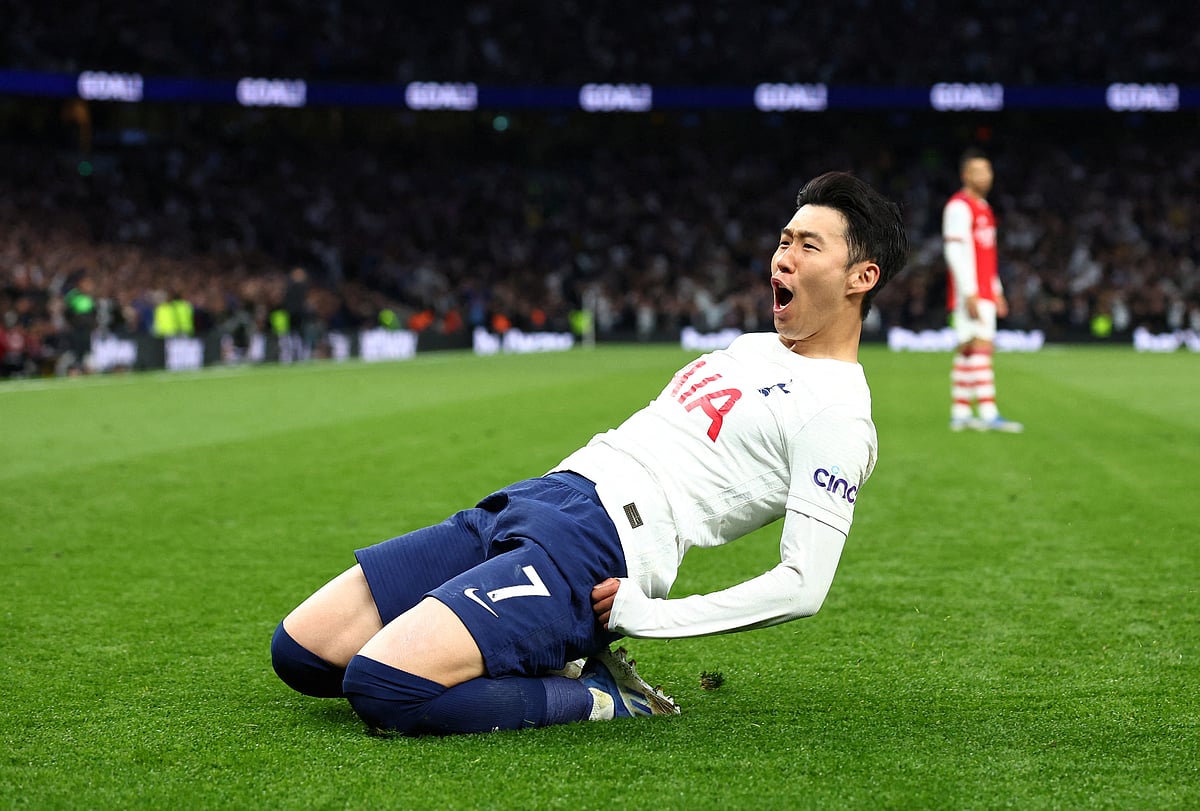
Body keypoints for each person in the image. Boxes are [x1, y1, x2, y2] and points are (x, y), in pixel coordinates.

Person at [270, 171, 909, 736]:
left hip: (600, 547)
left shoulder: (840, 416)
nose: (783, 258)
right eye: (784, 240)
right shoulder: (752, 346)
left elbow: (803, 587)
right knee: (301, 653)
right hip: (542, 494)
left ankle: (600, 697)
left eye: (808, 246)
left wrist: (653, 617)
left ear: (862, 277)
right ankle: (537, 652)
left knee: (384, 687)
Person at [942, 148, 1023, 432]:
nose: (985, 177)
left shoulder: (984, 207)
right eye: (979, 171)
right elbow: (954, 251)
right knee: (982, 347)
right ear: (966, 175)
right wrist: (970, 292)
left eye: (988, 171)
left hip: (983, 289)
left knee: (968, 349)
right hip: (972, 291)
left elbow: (987, 254)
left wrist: (996, 289)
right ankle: (988, 413)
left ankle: (960, 411)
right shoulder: (959, 206)